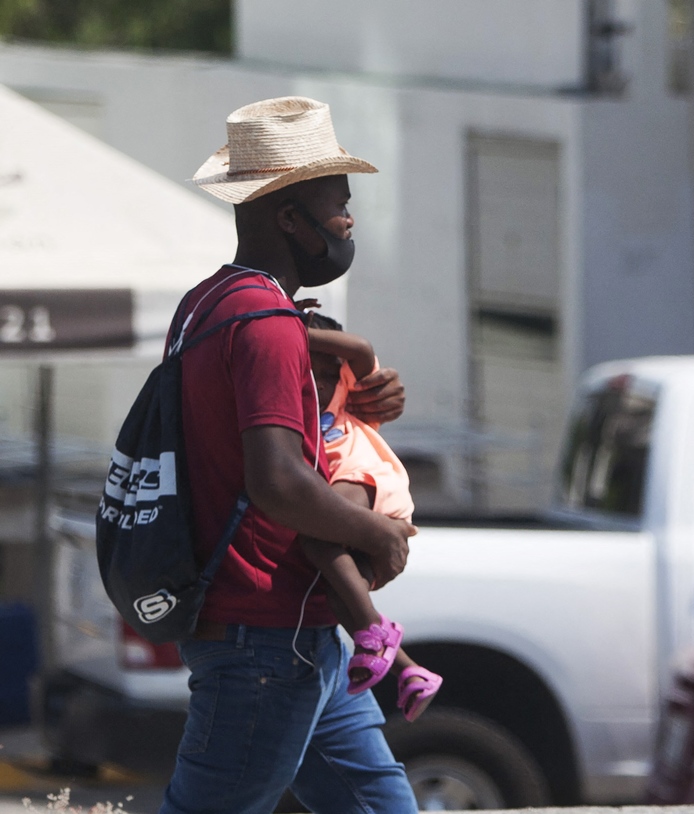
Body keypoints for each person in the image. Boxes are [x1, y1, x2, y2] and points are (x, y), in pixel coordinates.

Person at [159, 96, 418, 814]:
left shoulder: (209, 304)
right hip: (265, 639)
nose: (348, 221)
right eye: (338, 204)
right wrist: (376, 532)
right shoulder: (268, 324)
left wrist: (357, 375)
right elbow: (276, 480)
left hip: (299, 632)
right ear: (288, 218)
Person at [298, 307, 442, 721]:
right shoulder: (290, 419)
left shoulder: (351, 404)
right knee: (341, 597)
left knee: (317, 533)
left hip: (372, 484)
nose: (320, 385)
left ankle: (376, 637)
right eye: (309, 374)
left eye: (328, 375)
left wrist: (292, 333)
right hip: (357, 509)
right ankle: (411, 672)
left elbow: (359, 348)